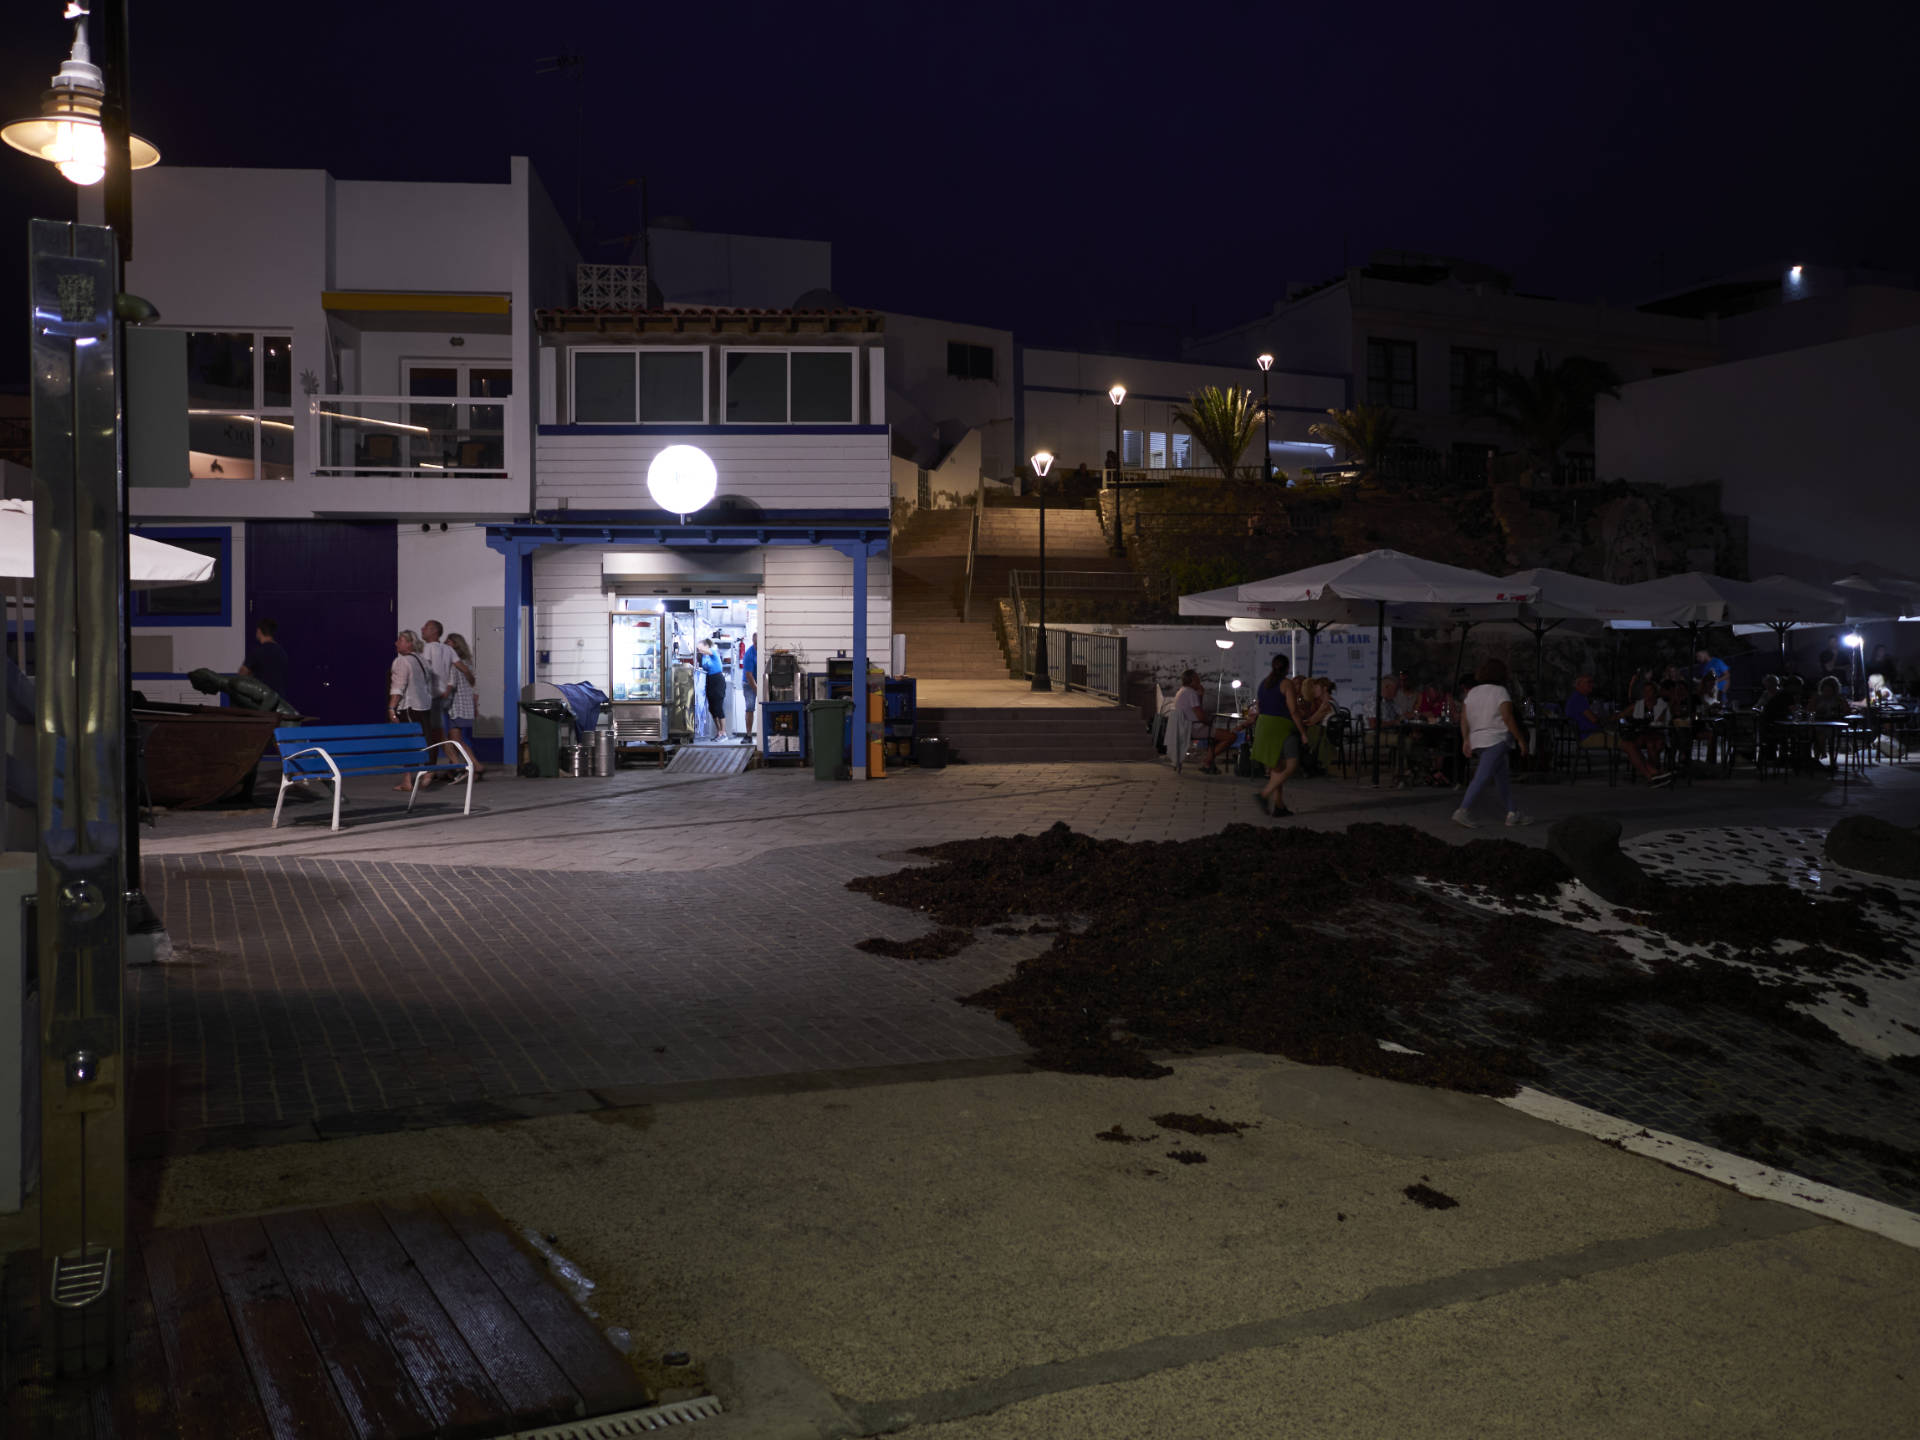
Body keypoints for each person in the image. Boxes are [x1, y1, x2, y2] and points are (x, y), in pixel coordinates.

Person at [1452, 657, 1529, 828]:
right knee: (1482, 776)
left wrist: (1466, 739)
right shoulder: (1501, 692)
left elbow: (1464, 718)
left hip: (1477, 739)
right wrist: (1520, 740)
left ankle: (1512, 812)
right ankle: (1463, 810)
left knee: (1501, 778)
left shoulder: (1472, 693)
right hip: (1497, 739)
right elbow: (1507, 718)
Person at [1251, 655, 1300, 816]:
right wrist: (1303, 732)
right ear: (1287, 668)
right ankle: (1264, 795)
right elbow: (1293, 710)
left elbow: (1259, 706)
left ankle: (1279, 806)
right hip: (1282, 726)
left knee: (1277, 766)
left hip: (1264, 725)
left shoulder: (1264, 683)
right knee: (1291, 765)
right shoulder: (1286, 684)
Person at [388, 630, 433, 791]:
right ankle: (423, 772)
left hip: (409, 706)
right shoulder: (422, 660)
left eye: (400, 640)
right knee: (423, 740)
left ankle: (409, 780)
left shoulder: (402, 661)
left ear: (410, 643)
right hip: (424, 706)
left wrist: (392, 708)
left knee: (409, 743)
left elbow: (398, 686)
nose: (396, 643)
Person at [444, 632, 484, 779]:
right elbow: (474, 687)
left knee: (455, 740)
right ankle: (452, 769)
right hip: (466, 705)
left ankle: (476, 766)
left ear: (455, 644)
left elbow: (451, 685)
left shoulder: (454, 665)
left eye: (449, 642)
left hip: (456, 705)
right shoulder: (467, 663)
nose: (445, 644)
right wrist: (475, 706)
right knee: (453, 738)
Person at [1621, 681, 1673, 786]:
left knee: (1653, 743)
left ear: (1655, 692)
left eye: (1650, 691)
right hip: (1642, 733)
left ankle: (1655, 774)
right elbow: (1634, 721)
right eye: (1645, 691)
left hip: (1658, 733)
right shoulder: (1639, 705)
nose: (1647, 694)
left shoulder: (1662, 705)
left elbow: (1662, 722)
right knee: (1637, 744)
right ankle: (1655, 774)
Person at [418, 619, 458, 756]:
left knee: (437, 734)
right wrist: (449, 687)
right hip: (447, 696)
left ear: (435, 631)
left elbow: (425, 672)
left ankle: (457, 764)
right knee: (442, 733)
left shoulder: (428, 648)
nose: (422, 629)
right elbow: (454, 670)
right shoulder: (449, 649)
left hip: (434, 697)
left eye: (426, 627)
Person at [237, 618, 291, 705]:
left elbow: (241, 675)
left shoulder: (257, 652)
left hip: (261, 701)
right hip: (280, 701)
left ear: (259, 631)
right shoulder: (282, 653)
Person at [1169, 669, 1206, 773]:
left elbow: (1198, 709)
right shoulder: (1191, 693)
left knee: (1215, 730)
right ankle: (1207, 762)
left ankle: (1207, 761)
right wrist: (1209, 722)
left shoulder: (1181, 691)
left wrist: (1201, 695)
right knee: (1229, 736)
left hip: (1182, 727)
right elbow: (1200, 716)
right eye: (1197, 679)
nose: (1199, 681)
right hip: (1192, 727)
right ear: (1192, 680)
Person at [697, 638, 728, 740]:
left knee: (718, 707)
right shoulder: (704, 657)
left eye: (702, 646)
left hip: (718, 680)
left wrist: (698, 647)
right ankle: (719, 731)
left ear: (706, 646)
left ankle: (724, 733)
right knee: (712, 708)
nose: (700, 648)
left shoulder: (713, 652)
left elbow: (702, 649)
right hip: (709, 681)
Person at [741, 631, 759, 740]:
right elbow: (749, 675)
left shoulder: (762, 652)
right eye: (756, 643)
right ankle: (748, 734)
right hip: (749, 683)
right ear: (753, 642)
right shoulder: (749, 654)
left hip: (760, 681)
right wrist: (757, 690)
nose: (757, 645)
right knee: (750, 707)